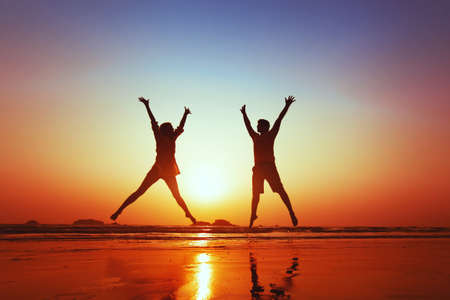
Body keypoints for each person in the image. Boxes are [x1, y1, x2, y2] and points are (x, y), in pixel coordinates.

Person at [110, 97, 196, 224]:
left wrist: (185, 114)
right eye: (171, 127)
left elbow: (180, 126)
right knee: (140, 191)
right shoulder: (159, 136)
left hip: (168, 172)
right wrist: (147, 106)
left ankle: (189, 214)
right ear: (166, 130)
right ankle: (119, 211)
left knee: (177, 196)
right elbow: (153, 121)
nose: (173, 129)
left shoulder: (173, 138)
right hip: (157, 169)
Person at [240, 96, 298, 228]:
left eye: (260, 125)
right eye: (258, 125)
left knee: (281, 191)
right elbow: (248, 126)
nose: (257, 126)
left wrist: (287, 106)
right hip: (258, 169)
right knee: (255, 195)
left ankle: (291, 212)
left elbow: (279, 120)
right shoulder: (255, 137)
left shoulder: (271, 134)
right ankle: (252, 216)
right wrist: (244, 114)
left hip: (270, 167)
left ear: (265, 127)